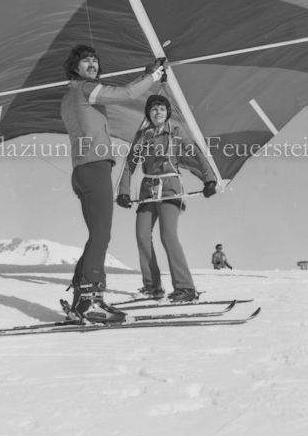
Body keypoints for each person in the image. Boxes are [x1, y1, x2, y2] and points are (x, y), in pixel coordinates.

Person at [60, 44, 165, 322]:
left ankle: (81, 301)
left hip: (81, 171)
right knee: (102, 235)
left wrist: (146, 74)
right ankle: (91, 298)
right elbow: (126, 94)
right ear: (75, 67)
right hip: (95, 170)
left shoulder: (69, 95)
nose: (92, 64)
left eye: (95, 60)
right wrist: (153, 76)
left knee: (96, 235)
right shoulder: (85, 89)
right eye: (85, 61)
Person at [117, 94, 217, 303]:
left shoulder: (176, 133)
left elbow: (198, 155)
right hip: (148, 190)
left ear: (168, 113)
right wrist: (123, 192)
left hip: (170, 188)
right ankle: (153, 286)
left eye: (162, 109)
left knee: (167, 235)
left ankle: (185, 287)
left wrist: (209, 180)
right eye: (154, 109)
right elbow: (129, 164)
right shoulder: (143, 136)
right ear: (148, 113)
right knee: (142, 235)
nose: (158, 112)